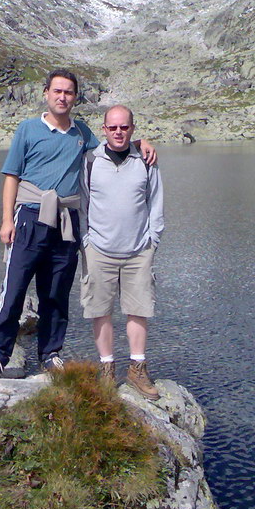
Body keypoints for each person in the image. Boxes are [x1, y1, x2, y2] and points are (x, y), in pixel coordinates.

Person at [0, 70, 156, 379]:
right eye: (57, 91)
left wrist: (141, 142)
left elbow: (112, 144)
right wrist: (7, 219)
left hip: (67, 221)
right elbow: (12, 176)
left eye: (69, 93)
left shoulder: (82, 133)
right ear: (46, 93)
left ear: (75, 98)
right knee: (15, 288)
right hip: (30, 217)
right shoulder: (28, 129)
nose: (63, 97)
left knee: (57, 292)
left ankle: (50, 353)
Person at [79, 105, 164, 400]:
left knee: (139, 309)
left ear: (133, 128)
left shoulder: (146, 160)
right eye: (113, 127)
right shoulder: (90, 161)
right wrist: (86, 240)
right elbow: (83, 204)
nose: (118, 132)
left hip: (139, 249)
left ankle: (137, 369)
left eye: (124, 127)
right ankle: (107, 369)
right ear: (104, 129)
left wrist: (153, 238)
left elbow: (155, 201)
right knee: (99, 310)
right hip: (99, 248)